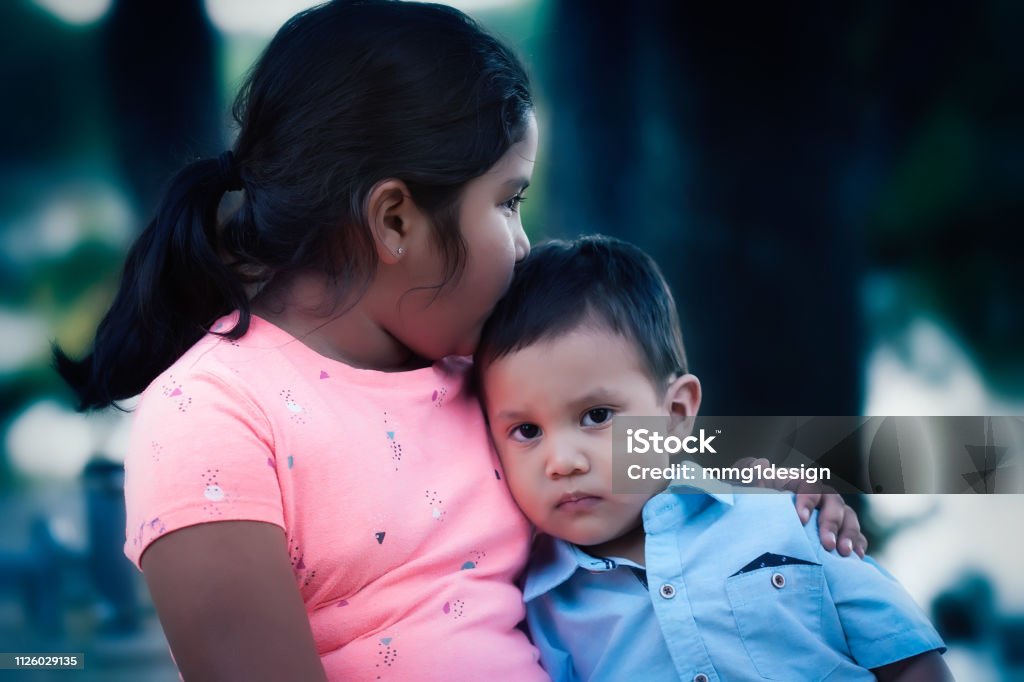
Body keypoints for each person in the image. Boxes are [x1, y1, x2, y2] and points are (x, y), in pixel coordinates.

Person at [54, 2, 866, 679]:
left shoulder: (487, 372)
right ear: (396, 219)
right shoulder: (213, 415)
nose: (522, 243)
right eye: (509, 201)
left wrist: (790, 484)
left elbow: (668, 447)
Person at [475, 235, 951, 682]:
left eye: (597, 415)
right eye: (526, 431)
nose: (562, 461)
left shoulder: (788, 515)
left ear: (676, 413)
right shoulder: (539, 612)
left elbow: (909, 661)